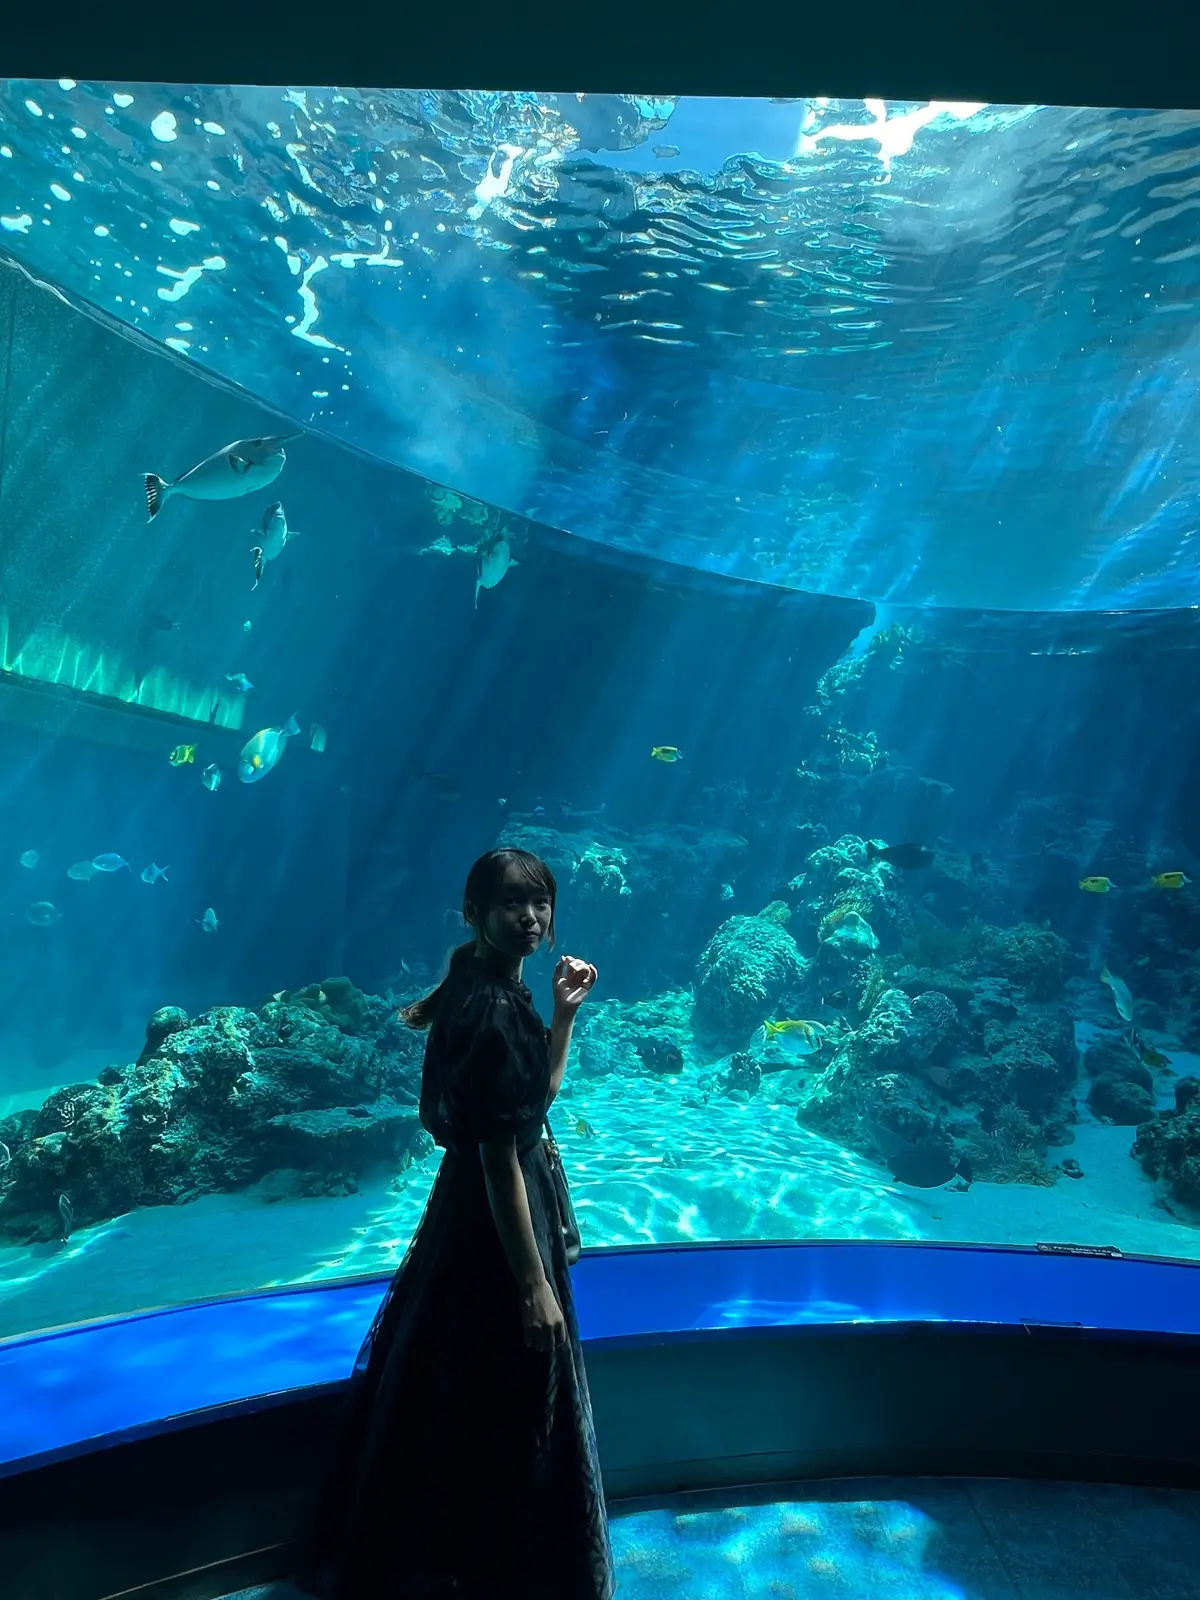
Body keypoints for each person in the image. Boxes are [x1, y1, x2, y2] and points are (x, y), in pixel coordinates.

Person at [295, 847, 615, 1600]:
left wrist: (566, 1015)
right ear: (475, 913)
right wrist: (533, 1281)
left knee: (448, 1372)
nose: (531, 918)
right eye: (512, 904)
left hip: (467, 1210)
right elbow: (499, 1156)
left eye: (541, 902)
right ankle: (493, 1557)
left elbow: (535, 1099)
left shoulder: (479, 978)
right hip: (497, 1221)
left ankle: (448, 1547)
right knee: (507, 1380)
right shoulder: (493, 1006)